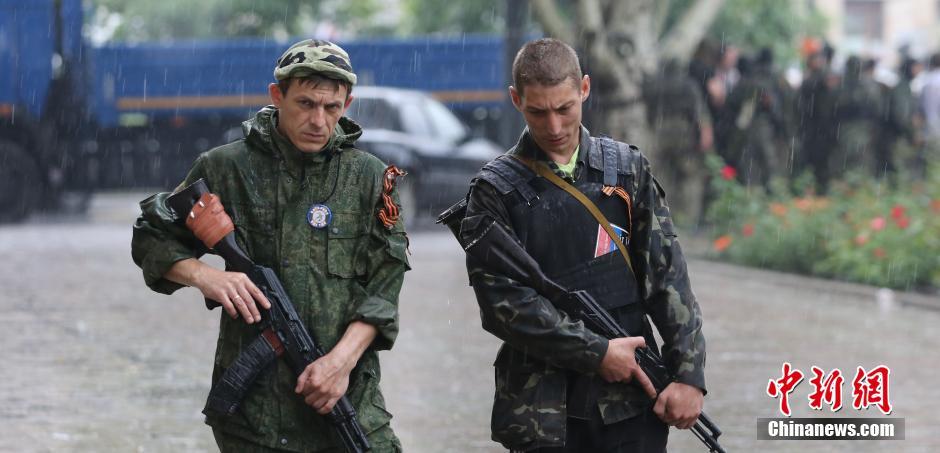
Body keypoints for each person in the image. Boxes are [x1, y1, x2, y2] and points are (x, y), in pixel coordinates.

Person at [130, 39, 409, 452]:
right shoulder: (226, 167)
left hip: (346, 397)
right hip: (256, 415)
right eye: (305, 104)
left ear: (347, 104)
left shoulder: (368, 177)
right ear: (277, 95)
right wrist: (205, 277)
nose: (318, 120)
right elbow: (151, 236)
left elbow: (385, 285)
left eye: (331, 107)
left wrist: (340, 363)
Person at [459, 38, 706, 452]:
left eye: (564, 108)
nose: (554, 127)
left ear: (585, 89)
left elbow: (667, 277)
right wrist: (596, 352)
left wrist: (688, 374)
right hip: (542, 411)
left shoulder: (626, 170)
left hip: (630, 400)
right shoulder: (494, 191)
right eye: (538, 112)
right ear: (516, 100)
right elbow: (503, 305)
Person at [643, 58, 714, 228]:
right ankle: (688, 218)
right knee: (690, 175)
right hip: (683, 132)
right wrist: (705, 135)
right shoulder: (688, 85)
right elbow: (700, 113)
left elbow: (648, 110)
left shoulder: (656, 85)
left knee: (661, 176)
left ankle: (661, 216)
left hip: (660, 131)